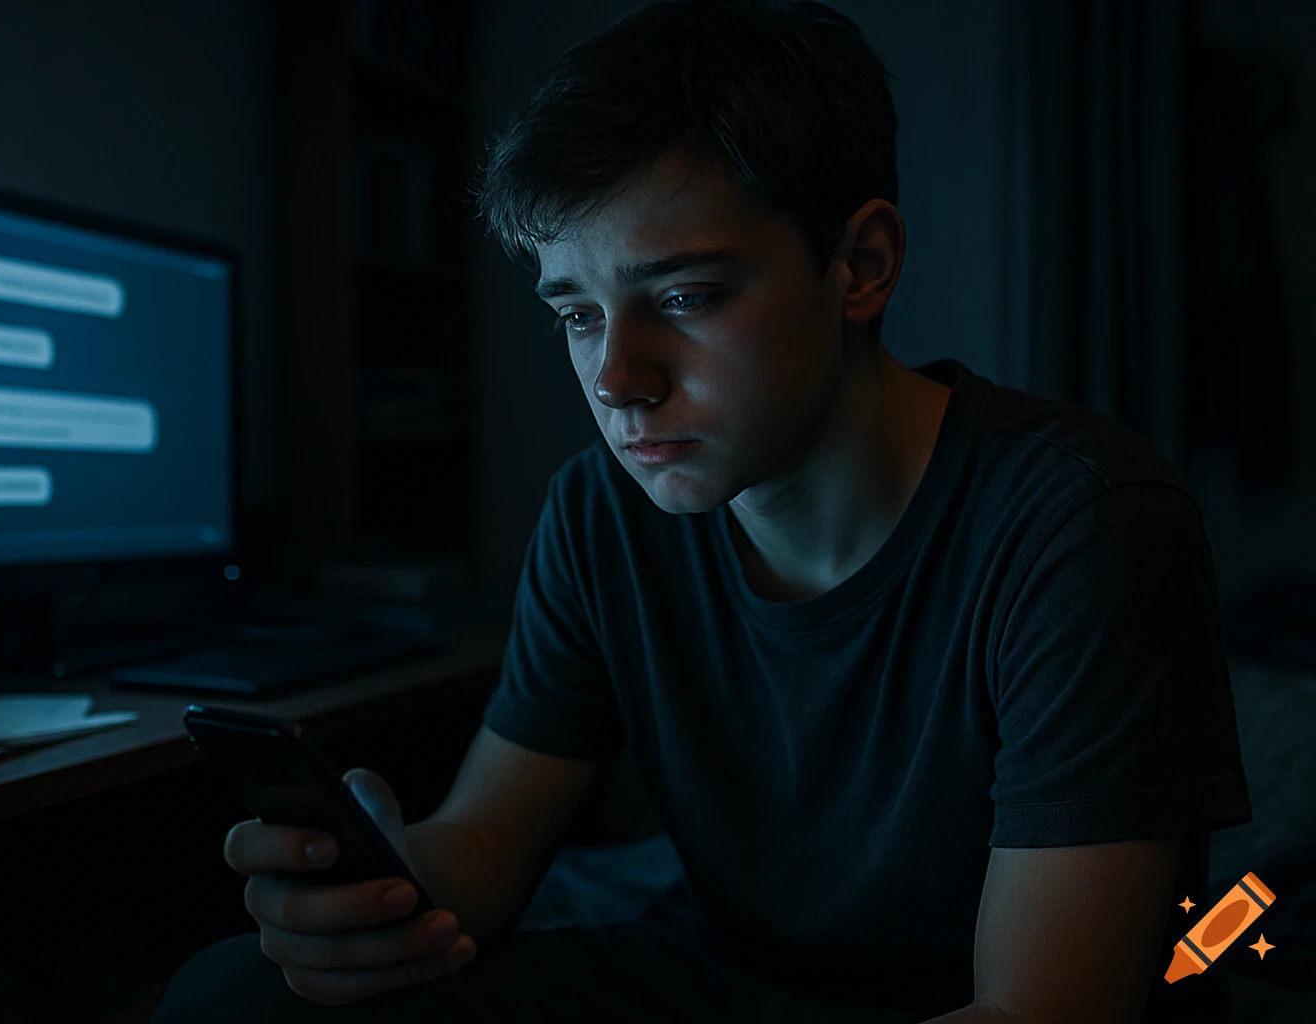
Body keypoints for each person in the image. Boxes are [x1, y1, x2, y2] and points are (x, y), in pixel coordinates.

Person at [154, 1, 1253, 1020]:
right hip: (723, 976)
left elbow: (1036, 1011)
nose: (616, 379)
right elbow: (488, 842)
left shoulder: (1081, 519)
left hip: (962, 997)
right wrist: (375, 890)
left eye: (683, 297)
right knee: (233, 995)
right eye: (577, 315)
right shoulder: (600, 515)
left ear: (860, 263)